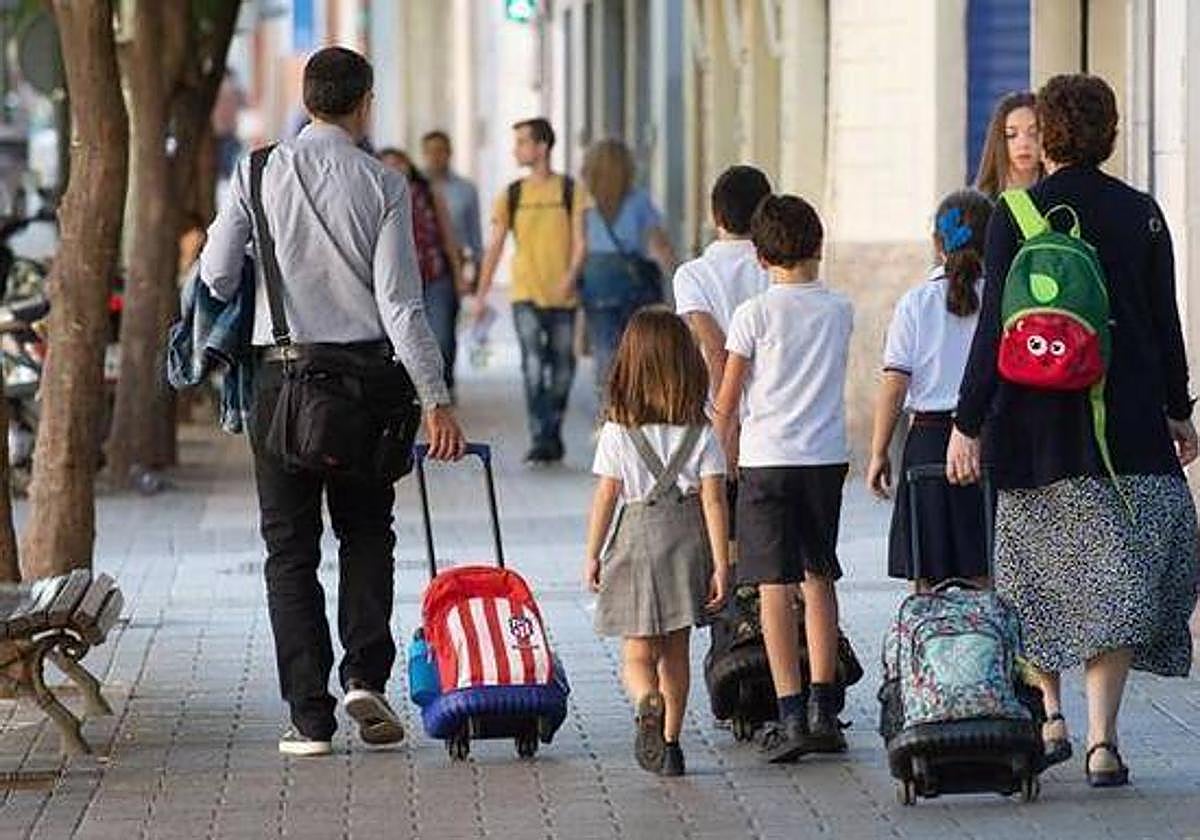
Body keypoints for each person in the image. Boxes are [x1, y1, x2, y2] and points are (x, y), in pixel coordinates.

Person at [198, 47, 466, 757]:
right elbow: (403, 307)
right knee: (367, 534)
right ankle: (365, 677)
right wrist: (436, 399)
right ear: (364, 104)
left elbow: (218, 276)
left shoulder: (256, 171)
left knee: (289, 551)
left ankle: (308, 718)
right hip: (367, 388)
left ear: (308, 99)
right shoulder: (384, 184)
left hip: (281, 385)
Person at [948, 74, 1199, 787]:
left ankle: (1051, 714)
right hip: (1124, 428)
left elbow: (995, 326)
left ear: (1048, 134)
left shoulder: (1016, 212)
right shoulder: (1142, 213)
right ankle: (1103, 740)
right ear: (1110, 132)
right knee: (1116, 581)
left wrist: (966, 423)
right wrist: (1179, 410)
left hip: (1031, 429)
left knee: (1036, 576)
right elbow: (1163, 323)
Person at [712, 195, 854, 763]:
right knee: (820, 578)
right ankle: (825, 709)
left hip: (767, 458)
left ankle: (790, 712)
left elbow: (727, 400)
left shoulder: (754, 314)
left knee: (774, 587)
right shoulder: (840, 308)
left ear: (760, 255)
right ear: (818, 246)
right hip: (824, 457)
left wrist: (720, 452)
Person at [584, 307, 729, 777]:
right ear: (688, 365)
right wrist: (721, 563)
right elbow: (714, 501)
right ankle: (670, 745)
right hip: (687, 541)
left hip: (635, 538)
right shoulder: (701, 431)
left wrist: (592, 554)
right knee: (676, 653)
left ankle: (645, 698)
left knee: (638, 653)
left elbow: (606, 497)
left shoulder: (618, 431)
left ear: (629, 364)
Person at [867, 189, 993, 588]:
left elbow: (894, 385)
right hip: (986, 440)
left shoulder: (915, 303)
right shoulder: (1001, 299)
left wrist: (878, 451)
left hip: (927, 442)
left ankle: (931, 650)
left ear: (937, 245)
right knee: (986, 572)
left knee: (927, 576)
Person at [475, 118, 586, 464]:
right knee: (534, 366)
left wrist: (572, 275)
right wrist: (482, 292)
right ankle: (542, 437)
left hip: (563, 294)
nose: (516, 149)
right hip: (524, 293)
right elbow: (494, 246)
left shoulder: (570, 190)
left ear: (542, 147)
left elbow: (583, 241)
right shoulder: (511, 194)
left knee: (564, 367)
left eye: (522, 142)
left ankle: (551, 430)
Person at [562, 139, 675, 395]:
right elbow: (659, 244)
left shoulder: (582, 202)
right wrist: (676, 273)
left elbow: (575, 245)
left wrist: (570, 279)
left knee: (605, 347)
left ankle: (608, 409)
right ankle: (639, 404)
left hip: (596, 280)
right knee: (640, 347)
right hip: (633, 281)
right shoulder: (639, 200)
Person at [673, 166, 772, 398]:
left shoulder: (692, 275)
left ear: (716, 216)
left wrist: (724, 417)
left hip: (723, 403)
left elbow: (716, 351)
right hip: (772, 404)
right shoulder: (777, 269)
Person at [379, 148, 463, 397]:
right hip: (398, 279)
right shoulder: (377, 194)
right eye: (388, 163)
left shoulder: (428, 193)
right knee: (402, 339)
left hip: (434, 275)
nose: (395, 167)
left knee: (442, 336)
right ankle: (416, 392)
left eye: (399, 162)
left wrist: (458, 277)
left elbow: (448, 236)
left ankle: (442, 385)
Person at [421, 130, 483, 293]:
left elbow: (474, 233)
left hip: (453, 268)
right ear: (424, 154)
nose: (435, 156)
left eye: (440, 150)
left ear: (449, 153)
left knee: (443, 317)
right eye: (430, 151)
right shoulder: (413, 188)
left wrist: (477, 273)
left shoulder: (466, 189)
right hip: (418, 265)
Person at [975, 91, 1042, 198]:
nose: (1024, 143)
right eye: (1011, 134)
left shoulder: (1059, 195)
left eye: (1033, 133)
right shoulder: (983, 203)